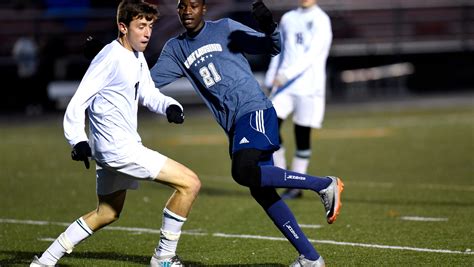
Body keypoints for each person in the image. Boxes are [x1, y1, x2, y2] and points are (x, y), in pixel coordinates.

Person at [149, 0, 344, 266]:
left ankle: (323, 184)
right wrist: (113, 58)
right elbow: (145, 83)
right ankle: (311, 258)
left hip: (255, 111)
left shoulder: (226, 28)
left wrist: (268, 26)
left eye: (193, 5)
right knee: (261, 191)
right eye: (182, 6)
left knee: (242, 171)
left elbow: (272, 46)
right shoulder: (176, 49)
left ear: (204, 8)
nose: (187, 11)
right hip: (235, 126)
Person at [30, 1, 200, 266]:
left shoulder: (135, 55)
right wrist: (77, 139)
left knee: (106, 213)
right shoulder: (109, 57)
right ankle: (164, 258)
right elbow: (78, 101)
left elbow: (147, 92)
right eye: (140, 26)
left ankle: (45, 261)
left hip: (113, 150)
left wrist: (169, 106)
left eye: (150, 26)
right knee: (190, 183)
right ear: (123, 27)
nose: (147, 33)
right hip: (119, 149)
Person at [264, 0, 333, 200]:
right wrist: (271, 76)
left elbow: (312, 55)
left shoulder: (321, 19)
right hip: (284, 87)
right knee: (269, 128)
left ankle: (296, 185)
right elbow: (280, 49)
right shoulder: (288, 18)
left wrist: (287, 74)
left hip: (309, 88)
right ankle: (282, 174)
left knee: (301, 135)